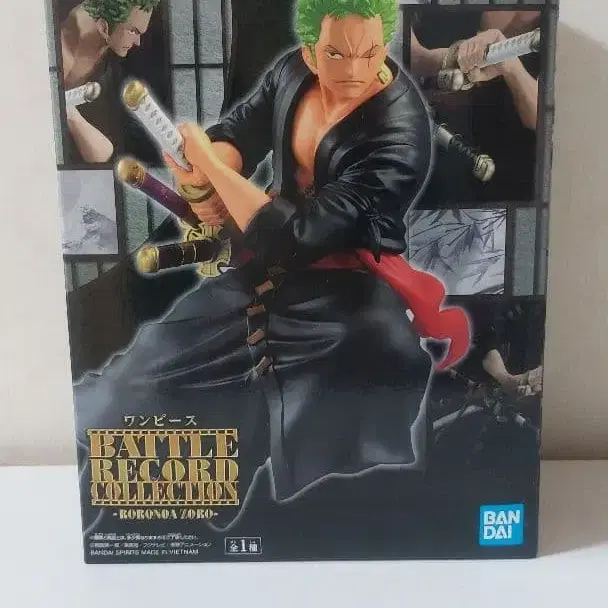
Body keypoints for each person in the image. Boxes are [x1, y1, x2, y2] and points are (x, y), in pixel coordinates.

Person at [75, 0, 469, 530]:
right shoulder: (292, 74)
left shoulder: (401, 130)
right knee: (139, 374)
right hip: (263, 268)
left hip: (348, 295)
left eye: (370, 52)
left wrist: (212, 168)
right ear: (309, 50)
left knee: (356, 378)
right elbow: (240, 132)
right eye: (336, 53)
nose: (355, 69)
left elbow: (300, 234)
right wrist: (206, 174)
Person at [410, 10, 540, 203]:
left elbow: (548, 119)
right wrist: (427, 59)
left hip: (486, 162)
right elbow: (388, 19)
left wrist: (512, 67)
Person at [60, 0, 159, 163]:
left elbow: (103, 154)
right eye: (133, 31)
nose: (138, 42)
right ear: (103, 28)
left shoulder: (111, 75)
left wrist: (71, 114)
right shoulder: (55, 33)